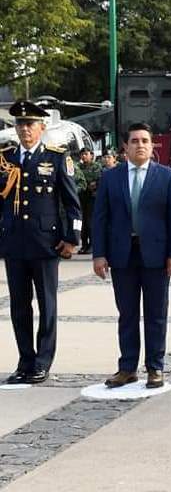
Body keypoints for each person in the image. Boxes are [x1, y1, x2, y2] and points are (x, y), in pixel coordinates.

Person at [93, 123, 171, 389]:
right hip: (122, 255)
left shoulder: (167, 176)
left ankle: (155, 367)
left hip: (156, 256)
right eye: (135, 141)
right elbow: (100, 218)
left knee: (156, 314)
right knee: (127, 314)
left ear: (152, 145)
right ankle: (127, 367)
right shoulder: (111, 177)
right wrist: (99, 255)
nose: (140, 145)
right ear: (126, 146)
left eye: (145, 140)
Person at [1, 101, 81, 385]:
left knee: (47, 305)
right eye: (20, 124)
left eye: (30, 124)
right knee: (19, 307)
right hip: (13, 242)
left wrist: (72, 238)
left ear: (42, 127)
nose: (25, 129)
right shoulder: (6, 158)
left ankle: (42, 362)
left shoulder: (57, 157)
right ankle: (25, 360)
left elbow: (72, 203)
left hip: (46, 243)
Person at [74, 147, 102, 255]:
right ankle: (84, 244)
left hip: (92, 197)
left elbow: (98, 180)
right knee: (83, 222)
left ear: (91, 155)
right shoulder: (78, 167)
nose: (84, 156)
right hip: (81, 196)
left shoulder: (96, 166)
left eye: (86, 154)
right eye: (82, 154)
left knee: (90, 222)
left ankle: (92, 245)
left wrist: (93, 184)